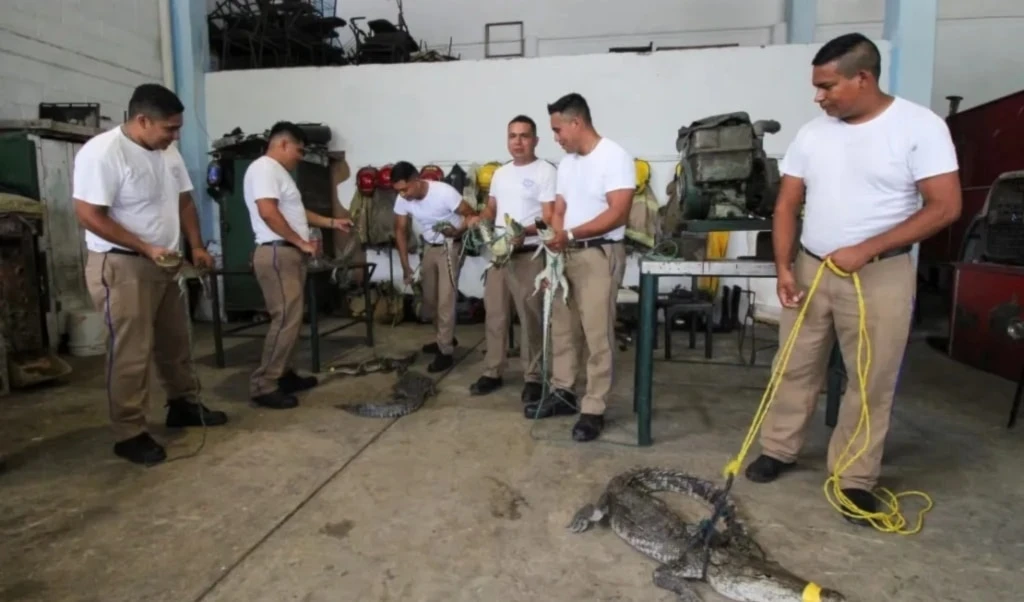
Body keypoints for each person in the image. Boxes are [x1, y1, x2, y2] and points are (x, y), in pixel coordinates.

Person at [743, 33, 962, 524]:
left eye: (827, 86)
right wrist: (783, 265)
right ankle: (779, 448)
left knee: (869, 378)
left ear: (863, 78)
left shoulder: (918, 127)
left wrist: (867, 248)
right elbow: (787, 204)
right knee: (793, 365)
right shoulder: (813, 133)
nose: (818, 97)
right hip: (810, 267)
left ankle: (855, 477)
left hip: (880, 275)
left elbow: (946, 206)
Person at [74, 83, 228, 466]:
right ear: (142, 120)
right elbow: (89, 215)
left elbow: (184, 200)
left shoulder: (166, 151)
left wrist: (196, 245)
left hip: (166, 263)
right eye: (169, 128)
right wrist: (146, 247)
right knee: (131, 352)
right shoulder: (104, 153)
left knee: (175, 342)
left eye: (177, 128)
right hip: (122, 265)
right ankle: (129, 432)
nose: (175, 136)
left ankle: (182, 405)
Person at [527, 93, 633, 442]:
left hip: (598, 255)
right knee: (563, 326)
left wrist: (570, 234)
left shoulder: (614, 157)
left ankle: (594, 407)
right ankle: (562, 392)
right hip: (566, 254)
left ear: (577, 122)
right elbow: (559, 206)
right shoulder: (568, 162)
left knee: (597, 333)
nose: (556, 137)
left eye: (558, 130)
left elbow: (618, 212)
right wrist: (555, 245)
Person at [243, 121, 352, 409]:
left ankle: (285, 374)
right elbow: (268, 212)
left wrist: (331, 222)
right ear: (282, 144)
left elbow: (295, 211)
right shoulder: (265, 168)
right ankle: (264, 384)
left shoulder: (278, 173)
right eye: (299, 151)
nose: (300, 157)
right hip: (279, 254)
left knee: (291, 319)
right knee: (284, 320)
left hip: (288, 254)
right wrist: (300, 242)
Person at [464, 115, 556, 405]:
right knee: (495, 314)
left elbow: (550, 217)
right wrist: (481, 219)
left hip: (529, 254)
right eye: (512, 136)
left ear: (535, 140)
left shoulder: (546, 172)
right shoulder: (501, 173)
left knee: (531, 317)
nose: (517, 142)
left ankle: (533, 376)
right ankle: (493, 370)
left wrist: (522, 232)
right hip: (499, 256)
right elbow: (492, 207)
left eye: (524, 136)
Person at [391, 161, 477, 373]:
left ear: (416, 180)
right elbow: (400, 230)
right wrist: (405, 266)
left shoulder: (444, 193)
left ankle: (445, 351)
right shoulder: (402, 198)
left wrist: (457, 232)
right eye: (399, 191)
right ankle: (444, 338)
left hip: (452, 245)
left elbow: (471, 214)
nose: (403, 194)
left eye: (405, 189)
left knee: (445, 299)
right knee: (430, 300)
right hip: (430, 246)